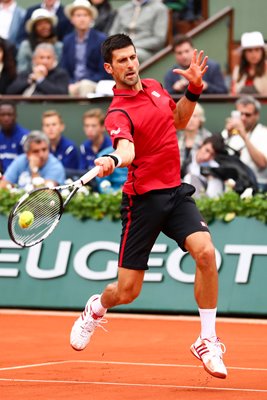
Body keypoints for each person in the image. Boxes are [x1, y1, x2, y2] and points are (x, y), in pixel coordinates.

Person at [70, 33, 227, 380]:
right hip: (142, 202)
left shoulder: (156, 87)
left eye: (132, 57)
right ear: (109, 68)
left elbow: (179, 122)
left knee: (205, 254)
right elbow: (126, 148)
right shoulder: (117, 112)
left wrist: (194, 90)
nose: (130, 65)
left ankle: (207, 339)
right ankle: (96, 308)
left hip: (175, 192)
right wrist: (114, 157)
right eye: (121, 61)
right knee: (126, 291)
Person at [61, 0, 110, 97]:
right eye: (78, 15)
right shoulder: (67, 40)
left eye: (85, 15)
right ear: (72, 19)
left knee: (85, 86)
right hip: (73, 83)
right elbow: (64, 69)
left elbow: (105, 71)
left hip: (95, 83)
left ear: (91, 18)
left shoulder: (101, 39)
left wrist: (82, 82)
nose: (82, 19)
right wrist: (71, 83)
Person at [221, 96, 267, 192]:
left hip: (257, 184)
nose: (243, 118)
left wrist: (244, 136)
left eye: (247, 115)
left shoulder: (263, 133)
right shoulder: (229, 132)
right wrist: (228, 135)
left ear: (257, 115)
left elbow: (262, 163)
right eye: (240, 114)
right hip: (231, 182)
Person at [0, 130, 65, 190]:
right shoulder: (21, 160)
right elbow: (3, 185)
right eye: (36, 151)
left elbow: (46, 196)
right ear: (28, 154)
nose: (41, 155)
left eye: (44, 149)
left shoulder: (55, 166)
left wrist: (34, 170)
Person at [17, 8, 63, 73]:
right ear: (34, 28)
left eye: (47, 23)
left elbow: (61, 68)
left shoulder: (58, 46)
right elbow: (21, 70)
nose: (44, 27)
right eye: (40, 24)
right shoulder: (26, 46)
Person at [231, 31, 267, 95]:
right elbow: (233, 94)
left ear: (262, 52)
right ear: (244, 53)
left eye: (257, 50)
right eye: (249, 50)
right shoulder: (237, 70)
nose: (254, 54)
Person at [178, 102, 212, 167]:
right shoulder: (175, 136)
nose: (191, 120)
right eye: (188, 116)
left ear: (200, 120)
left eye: (195, 116)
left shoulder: (207, 138)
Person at [0, 101, 29, 174]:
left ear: (15, 116)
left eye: (9, 115)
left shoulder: (25, 137)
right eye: (2, 115)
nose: (6, 118)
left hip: (21, 180)